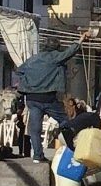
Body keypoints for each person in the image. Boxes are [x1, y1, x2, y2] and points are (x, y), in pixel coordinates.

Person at [14, 30, 94, 161]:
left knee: (35, 129)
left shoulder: (32, 59)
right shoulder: (55, 57)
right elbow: (70, 52)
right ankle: (73, 148)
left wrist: (29, 82)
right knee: (65, 121)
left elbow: (19, 71)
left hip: (32, 99)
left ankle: (37, 156)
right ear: (56, 48)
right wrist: (81, 39)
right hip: (48, 98)